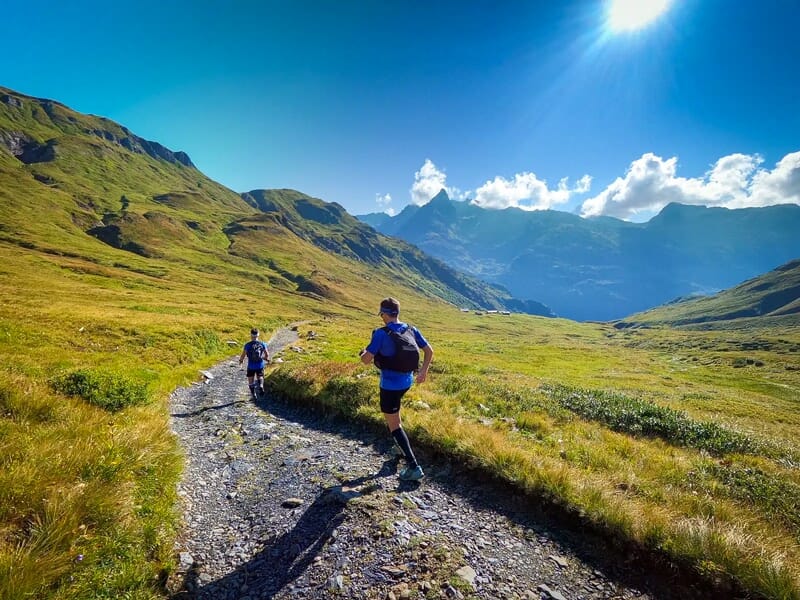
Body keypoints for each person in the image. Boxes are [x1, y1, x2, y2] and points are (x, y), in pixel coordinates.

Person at [360, 297, 433, 481]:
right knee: (396, 417)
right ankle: (399, 447)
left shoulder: (381, 333)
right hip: (406, 383)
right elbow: (429, 350)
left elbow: (366, 360)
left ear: (384, 314)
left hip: (390, 386)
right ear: (398, 313)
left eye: (381, 314)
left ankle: (413, 467)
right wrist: (423, 372)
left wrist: (362, 353)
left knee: (394, 424)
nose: (381, 318)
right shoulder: (411, 329)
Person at [239, 328, 270, 398]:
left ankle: (254, 394)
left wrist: (241, 360)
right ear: (258, 335)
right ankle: (261, 386)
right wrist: (265, 358)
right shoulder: (262, 344)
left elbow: (243, 355)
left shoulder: (247, 345)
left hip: (250, 366)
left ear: (251, 335)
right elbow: (267, 354)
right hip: (260, 365)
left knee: (251, 381)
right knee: (260, 377)